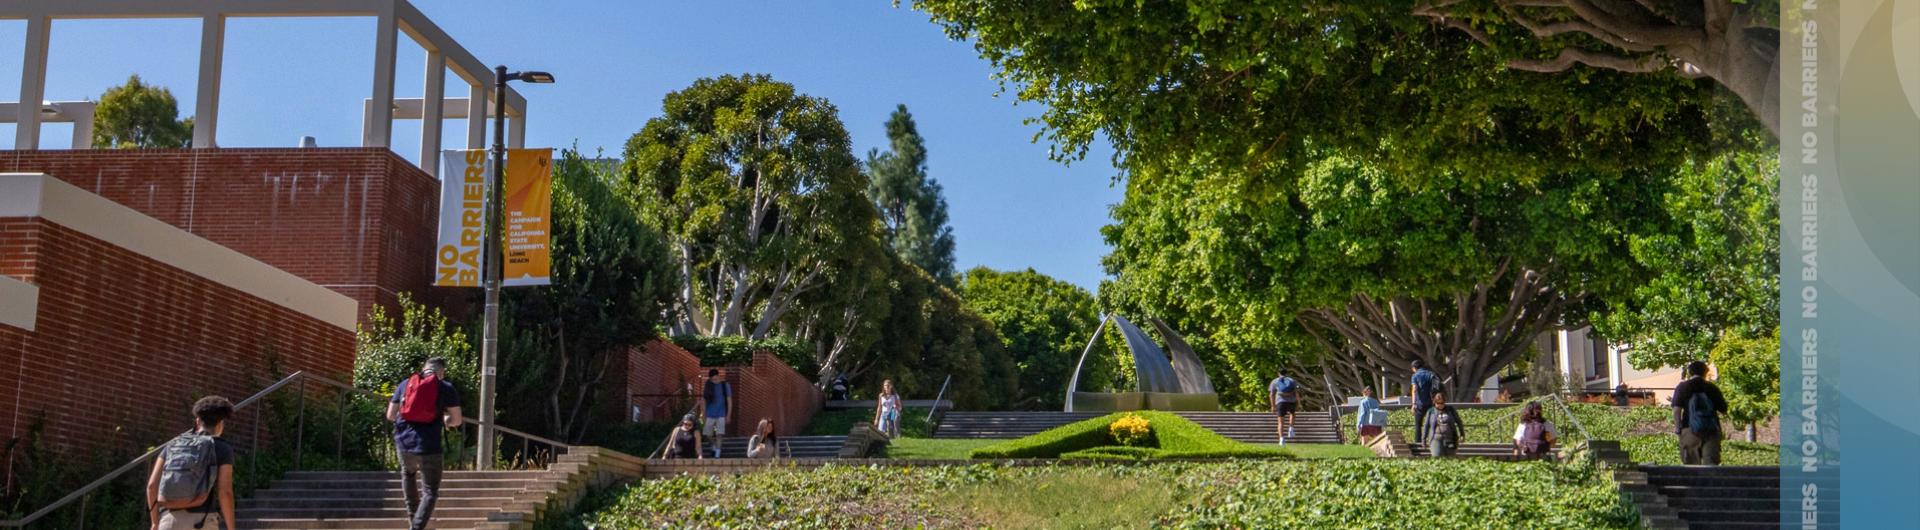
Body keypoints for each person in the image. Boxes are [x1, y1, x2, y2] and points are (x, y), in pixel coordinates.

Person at [386, 357, 463, 530]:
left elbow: (391, 415)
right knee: (430, 491)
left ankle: (414, 523)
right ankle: (417, 527)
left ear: (424, 369)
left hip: (404, 443)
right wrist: (445, 420)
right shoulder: (446, 388)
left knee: (408, 474)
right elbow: (456, 420)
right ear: (441, 373)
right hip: (429, 446)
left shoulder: (406, 384)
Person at [147, 396, 237, 530]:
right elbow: (225, 492)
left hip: (169, 520)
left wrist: (155, 522)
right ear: (220, 424)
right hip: (202, 522)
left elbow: (152, 485)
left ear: (197, 421)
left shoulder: (173, 445)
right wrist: (231, 528)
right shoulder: (222, 448)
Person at [1672, 360, 1729, 465]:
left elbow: (1676, 410)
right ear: (1706, 372)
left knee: (1691, 466)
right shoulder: (1712, 388)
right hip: (1711, 430)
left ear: (1689, 372)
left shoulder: (1683, 387)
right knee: (1710, 465)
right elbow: (1724, 410)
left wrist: (1678, 428)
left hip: (1689, 429)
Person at [699, 369, 734, 459]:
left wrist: (728, 415)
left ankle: (717, 454)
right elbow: (704, 401)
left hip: (721, 414)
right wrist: (703, 413)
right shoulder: (708, 386)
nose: (714, 381)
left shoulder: (725, 385)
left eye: (715, 379)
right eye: (712, 380)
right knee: (707, 434)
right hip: (710, 413)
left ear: (718, 376)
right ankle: (714, 446)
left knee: (719, 434)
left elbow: (729, 401)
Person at [1422, 391, 1464, 457]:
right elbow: (1426, 426)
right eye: (1438, 403)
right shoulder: (1431, 411)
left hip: (1450, 438)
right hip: (1436, 438)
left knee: (1450, 457)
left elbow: (1459, 422)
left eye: (1442, 403)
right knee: (1436, 456)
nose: (1440, 405)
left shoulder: (1450, 410)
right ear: (1434, 402)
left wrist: (1462, 434)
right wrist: (1424, 439)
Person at [1409, 360, 1439, 445]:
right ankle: (1433, 441)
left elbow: (1414, 390)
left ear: (1414, 368)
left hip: (1419, 404)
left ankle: (1418, 442)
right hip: (1431, 404)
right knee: (1432, 423)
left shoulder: (1415, 376)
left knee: (1418, 424)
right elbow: (1436, 388)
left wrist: (1413, 404)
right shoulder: (1431, 374)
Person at [1268, 370, 1300, 444]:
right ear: (1287, 373)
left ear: (1278, 373)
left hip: (1280, 402)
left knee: (1280, 422)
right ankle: (1291, 428)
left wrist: (1273, 406)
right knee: (1292, 414)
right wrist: (1299, 402)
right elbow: (1297, 393)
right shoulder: (1292, 380)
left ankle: (1281, 439)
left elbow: (1271, 394)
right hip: (1292, 401)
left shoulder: (1275, 381)